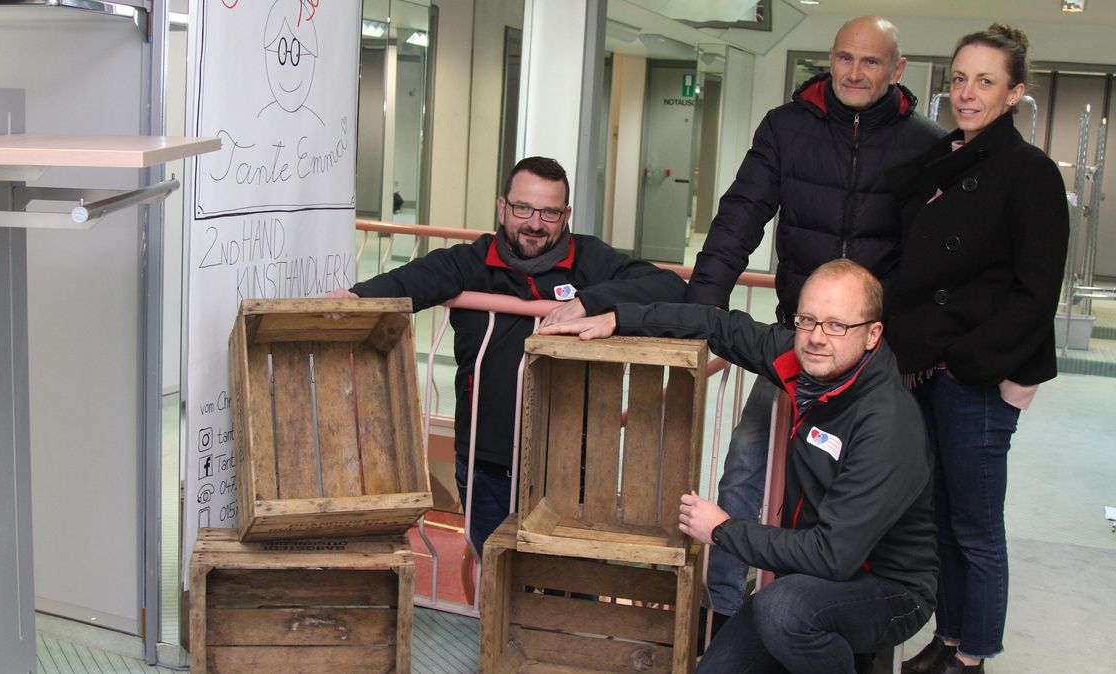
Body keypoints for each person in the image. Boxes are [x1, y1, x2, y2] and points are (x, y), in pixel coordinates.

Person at [540, 259, 937, 674]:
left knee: (781, 608)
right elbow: (716, 326)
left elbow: (833, 555)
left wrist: (721, 530)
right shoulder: (804, 361)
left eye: (837, 325)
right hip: (812, 577)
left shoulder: (887, 423)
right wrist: (619, 318)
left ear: (872, 335)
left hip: (889, 588)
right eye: (808, 320)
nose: (817, 338)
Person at [684, 15, 943, 626]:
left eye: (871, 62)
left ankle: (844, 609)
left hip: (883, 354)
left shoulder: (927, 144)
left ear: (897, 70)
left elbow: (936, 257)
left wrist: (922, 350)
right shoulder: (786, 127)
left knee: (875, 483)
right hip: (803, 344)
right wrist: (700, 315)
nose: (854, 72)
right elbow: (738, 220)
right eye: (844, 58)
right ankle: (723, 610)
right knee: (748, 460)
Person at [329, 156, 686, 553]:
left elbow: (668, 286)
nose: (535, 222)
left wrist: (589, 302)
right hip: (484, 462)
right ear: (502, 208)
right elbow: (418, 277)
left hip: (568, 467)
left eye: (550, 212)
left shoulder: (591, 261)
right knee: (493, 578)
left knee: (567, 584)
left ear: (566, 215)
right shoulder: (471, 261)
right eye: (523, 208)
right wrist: (358, 298)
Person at [884, 25, 1069, 674]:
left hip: (975, 375)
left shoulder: (1030, 173)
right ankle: (949, 638)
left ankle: (972, 659)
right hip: (925, 367)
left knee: (976, 528)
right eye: (959, 78)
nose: (967, 93)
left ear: (1015, 93)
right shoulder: (943, 161)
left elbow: (1035, 290)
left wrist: (967, 363)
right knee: (937, 520)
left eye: (986, 81)